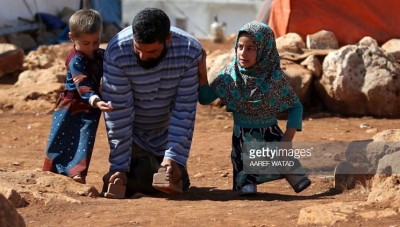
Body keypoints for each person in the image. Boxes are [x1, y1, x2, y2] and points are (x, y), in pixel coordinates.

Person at [198, 21, 311, 195]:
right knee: (247, 189)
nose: (243, 53)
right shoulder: (230, 75)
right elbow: (205, 98)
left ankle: (291, 174)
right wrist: (202, 74)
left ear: (264, 50)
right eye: (240, 47)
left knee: (297, 178)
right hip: (242, 139)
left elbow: (296, 107)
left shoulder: (274, 78)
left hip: (270, 136)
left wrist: (287, 138)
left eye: (251, 48)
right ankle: (248, 183)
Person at [101, 7, 203, 198]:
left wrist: (173, 157)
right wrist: (119, 166)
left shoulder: (189, 51)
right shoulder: (117, 51)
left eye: (152, 51)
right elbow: (119, 113)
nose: (143, 57)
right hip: (134, 136)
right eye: (138, 49)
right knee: (140, 178)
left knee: (172, 178)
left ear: (168, 40)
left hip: (165, 134)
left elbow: (184, 111)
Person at [42, 9, 113, 184]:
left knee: (84, 139)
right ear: (72, 37)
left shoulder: (99, 54)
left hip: (90, 107)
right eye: (86, 43)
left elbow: (111, 63)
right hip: (71, 105)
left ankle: (77, 172)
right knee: (61, 137)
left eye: (96, 41)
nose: (92, 47)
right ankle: (53, 171)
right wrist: (97, 100)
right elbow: (82, 85)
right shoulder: (76, 60)